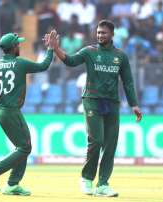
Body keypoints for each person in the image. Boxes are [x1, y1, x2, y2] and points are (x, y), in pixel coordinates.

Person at [52, 19, 142, 197]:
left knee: (110, 145)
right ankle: (86, 178)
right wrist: (56, 48)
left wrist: (134, 105)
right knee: (97, 140)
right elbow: (70, 61)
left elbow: (128, 82)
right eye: (98, 32)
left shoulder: (121, 56)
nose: (100, 35)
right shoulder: (89, 51)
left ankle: (102, 184)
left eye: (104, 33)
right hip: (92, 99)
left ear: (112, 35)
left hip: (112, 102)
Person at [0, 30, 57, 196]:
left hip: (1, 111)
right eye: (18, 44)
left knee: (22, 147)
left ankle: (13, 184)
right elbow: (43, 66)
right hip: (12, 111)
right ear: (13, 47)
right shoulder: (20, 63)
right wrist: (50, 48)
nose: (19, 45)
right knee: (24, 147)